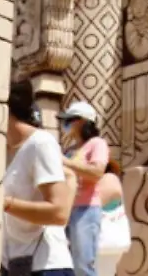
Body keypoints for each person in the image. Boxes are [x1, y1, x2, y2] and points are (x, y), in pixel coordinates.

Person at [2, 79, 73, 276]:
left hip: (47, 267)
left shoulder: (40, 144)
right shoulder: (2, 150)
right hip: (14, 265)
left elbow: (59, 212)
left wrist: (5, 203)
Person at [58, 100, 110, 276]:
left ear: (81, 121)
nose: (66, 125)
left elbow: (96, 172)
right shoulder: (69, 150)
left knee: (82, 266)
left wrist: (67, 163)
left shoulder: (97, 144)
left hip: (85, 210)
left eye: (69, 120)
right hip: (66, 210)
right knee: (66, 265)